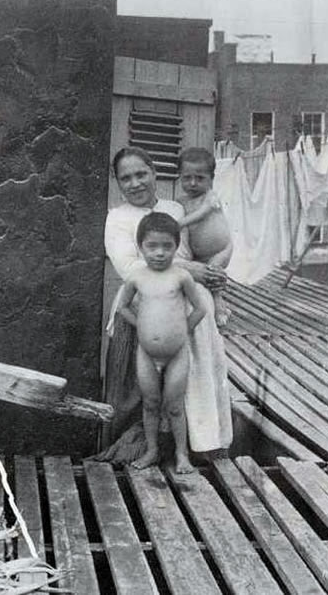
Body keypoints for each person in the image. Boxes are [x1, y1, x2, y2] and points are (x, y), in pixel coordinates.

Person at [95, 147, 233, 465]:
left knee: (194, 376)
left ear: (154, 173)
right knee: (147, 393)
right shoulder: (117, 219)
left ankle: (199, 445)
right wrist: (191, 269)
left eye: (141, 174)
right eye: (126, 178)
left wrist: (215, 272)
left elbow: (201, 246)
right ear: (118, 183)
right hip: (146, 310)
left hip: (187, 307)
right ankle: (147, 447)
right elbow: (129, 267)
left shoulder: (174, 207)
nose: (135, 183)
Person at [117, 213, 207, 473]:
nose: (159, 253)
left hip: (177, 353)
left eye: (167, 246)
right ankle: (152, 450)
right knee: (151, 403)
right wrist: (141, 326)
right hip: (146, 353)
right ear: (140, 247)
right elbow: (122, 307)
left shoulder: (181, 277)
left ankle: (182, 454)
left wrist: (181, 331)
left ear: (176, 247)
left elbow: (200, 309)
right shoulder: (137, 277)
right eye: (152, 246)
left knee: (175, 406)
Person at [176, 147, 234, 326]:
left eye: (200, 178)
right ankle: (215, 307)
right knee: (204, 279)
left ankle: (219, 307)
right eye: (187, 178)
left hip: (221, 249)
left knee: (213, 276)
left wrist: (179, 224)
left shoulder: (211, 197)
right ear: (180, 176)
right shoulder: (180, 202)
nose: (193, 183)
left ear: (212, 179)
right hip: (198, 254)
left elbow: (202, 214)